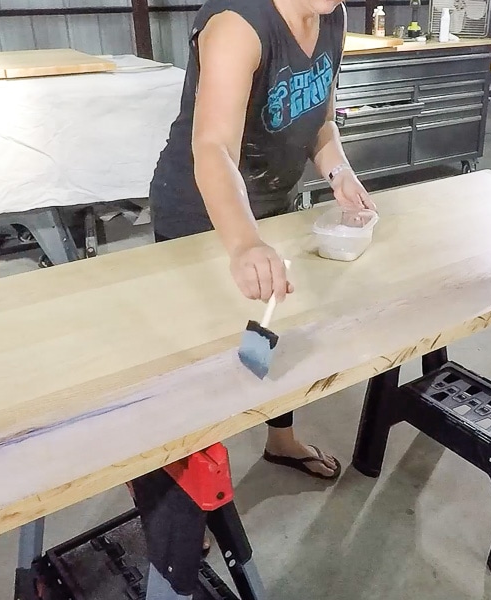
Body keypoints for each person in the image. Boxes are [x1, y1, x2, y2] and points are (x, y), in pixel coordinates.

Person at [148, 0, 375, 480]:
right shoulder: (238, 25)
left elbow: (321, 123)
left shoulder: (331, 13)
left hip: (268, 204)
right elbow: (213, 148)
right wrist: (245, 243)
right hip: (201, 209)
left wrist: (339, 173)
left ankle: (280, 438)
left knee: (269, 328)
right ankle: (193, 489)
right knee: (201, 356)